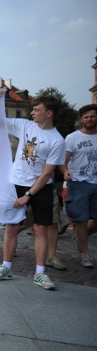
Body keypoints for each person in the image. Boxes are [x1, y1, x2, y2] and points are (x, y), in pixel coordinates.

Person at [0, 90, 65, 290]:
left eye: (37, 110)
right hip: (16, 182)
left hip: (40, 188)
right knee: (11, 227)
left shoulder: (57, 140)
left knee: (40, 229)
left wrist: (28, 195)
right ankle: (5, 267)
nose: (32, 113)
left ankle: (40, 273)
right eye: (33, 109)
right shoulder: (24, 125)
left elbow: (47, 173)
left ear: (49, 113)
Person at [62, 103, 97, 268]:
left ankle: (79, 237)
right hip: (79, 183)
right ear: (81, 119)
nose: (89, 119)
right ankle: (85, 255)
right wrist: (65, 171)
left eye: (92, 116)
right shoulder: (73, 137)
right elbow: (63, 161)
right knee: (81, 220)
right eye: (86, 117)